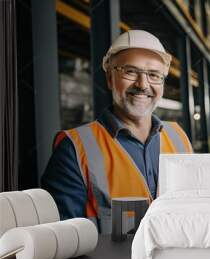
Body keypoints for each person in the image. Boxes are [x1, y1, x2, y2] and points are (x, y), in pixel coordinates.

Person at [41, 30, 193, 233]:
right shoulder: (74, 149)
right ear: (110, 78)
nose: (142, 84)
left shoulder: (179, 136)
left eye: (154, 75)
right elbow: (64, 240)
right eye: (130, 71)